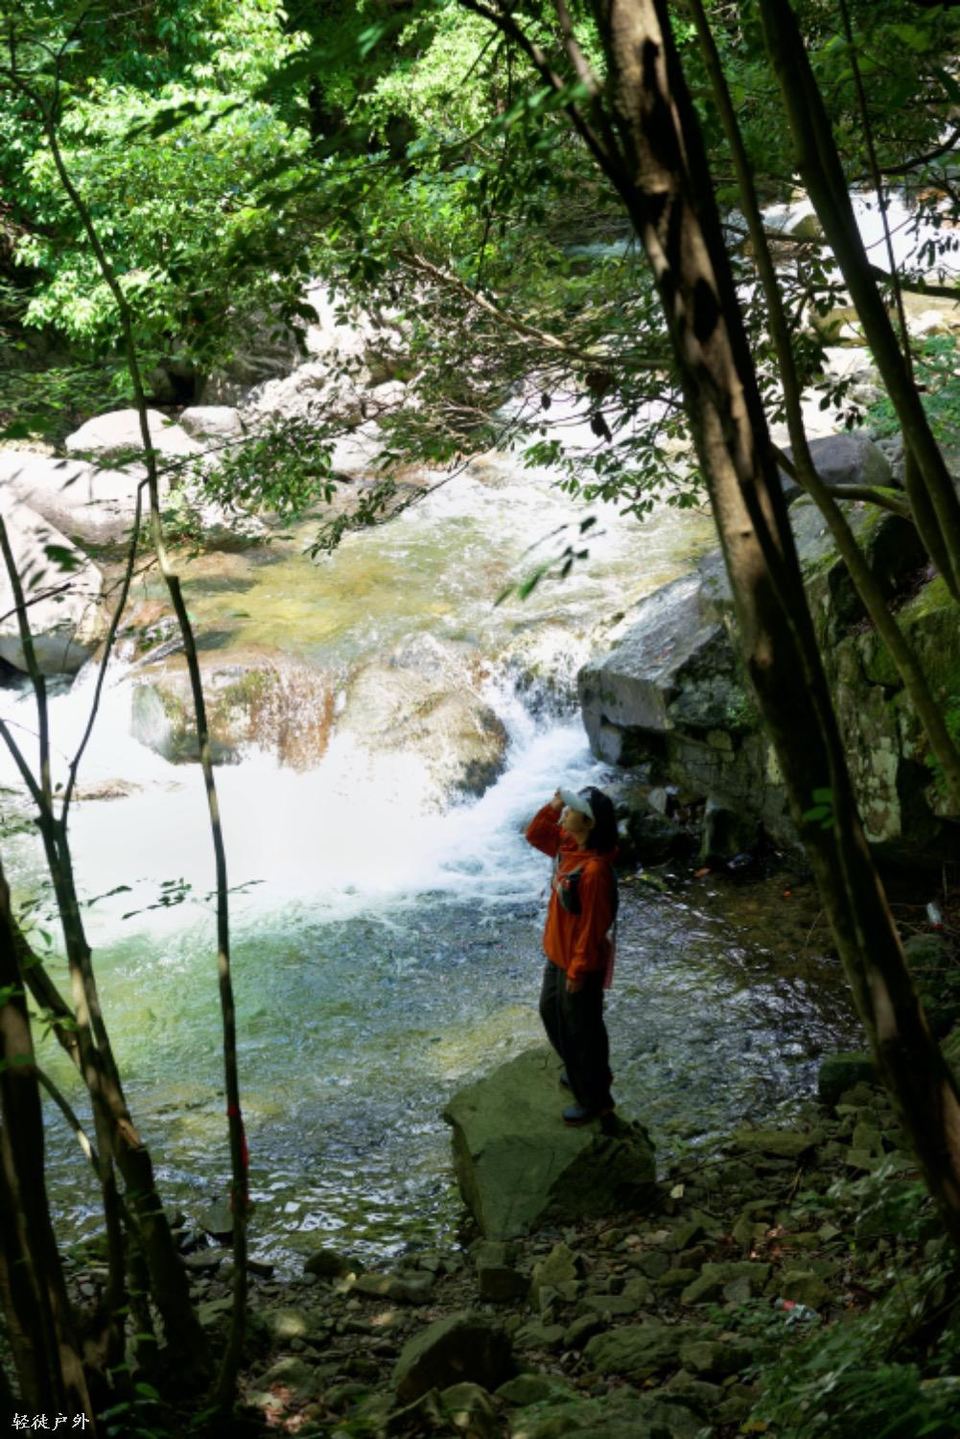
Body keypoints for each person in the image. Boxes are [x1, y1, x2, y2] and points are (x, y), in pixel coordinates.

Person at [525, 785, 619, 1126]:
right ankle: (580, 1071)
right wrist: (554, 804)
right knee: (551, 1012)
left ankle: (595, 1100)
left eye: (572, 810)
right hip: (558, 954)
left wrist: (578, 972)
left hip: (579, 963)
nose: (566, 813)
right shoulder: (568, 846)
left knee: (582, 1030)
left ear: (589, 824)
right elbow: (535, 834)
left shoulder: (593, 872)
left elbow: (592, 928)